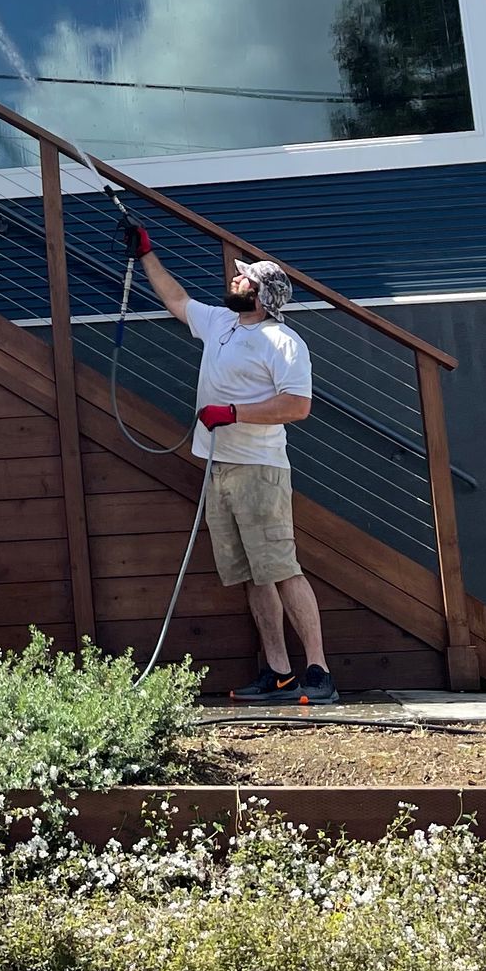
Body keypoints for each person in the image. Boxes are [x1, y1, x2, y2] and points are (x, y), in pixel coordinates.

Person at [129, 228, 335, 707]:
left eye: (243, 280)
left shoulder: (282, 342)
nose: (234, 281)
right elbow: (177, 299)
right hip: (218, 468)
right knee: (251, 575)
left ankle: (319, 671)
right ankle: (279, 675)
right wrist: (146, 255)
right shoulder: (221, 322)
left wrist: (234, 413)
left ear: (261, 296)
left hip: (259, 470)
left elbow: (298, 405)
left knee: (281, 569)